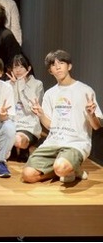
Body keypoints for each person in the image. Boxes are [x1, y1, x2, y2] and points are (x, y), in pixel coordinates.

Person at [21, 50, 102, 184]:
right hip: (53, 142)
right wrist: (41, 115)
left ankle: (65, 168)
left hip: (76, 143)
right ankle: (71, 169)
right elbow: (49, 126)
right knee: (27, 175)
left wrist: (91, 114)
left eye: (61, 63)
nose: (57, 67)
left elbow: (96, 126)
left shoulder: (85, 90)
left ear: (69, 66)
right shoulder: (50, 94)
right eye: (53, 65)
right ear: (50, 71)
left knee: (60, 167)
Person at [6, 54, 44, 162]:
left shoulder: (37, 84)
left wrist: (22, 86)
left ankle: (23, 147)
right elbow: (10, 108)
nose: (18, 70)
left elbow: (30, 108)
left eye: (21, 67)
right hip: (12, 123)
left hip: (28, 125)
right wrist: (14, 86)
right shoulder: (7, 84)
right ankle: (12, 148)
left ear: (29, 68)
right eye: (15, 67)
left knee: (18, 139)